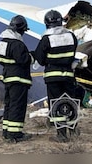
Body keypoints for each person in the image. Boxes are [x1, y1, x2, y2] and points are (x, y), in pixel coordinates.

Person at [34, 10, 79, 143]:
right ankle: (73, 129)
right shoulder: (71, 36)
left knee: (57, 103)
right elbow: (73, 53)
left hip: (53, 77)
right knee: (70, 102)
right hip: (69, 76)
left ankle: (61, 134)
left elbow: (40, 59)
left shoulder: (46, 39)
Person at [0, 15, 34, 143]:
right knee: (18, 106)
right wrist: (32, 56)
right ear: (21, 30)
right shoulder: (17, 44)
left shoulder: (3, 42)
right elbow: (24, 60)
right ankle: (15, 134)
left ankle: (6, 131)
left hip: (8, 78)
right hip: (19, 80)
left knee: (9, 105)